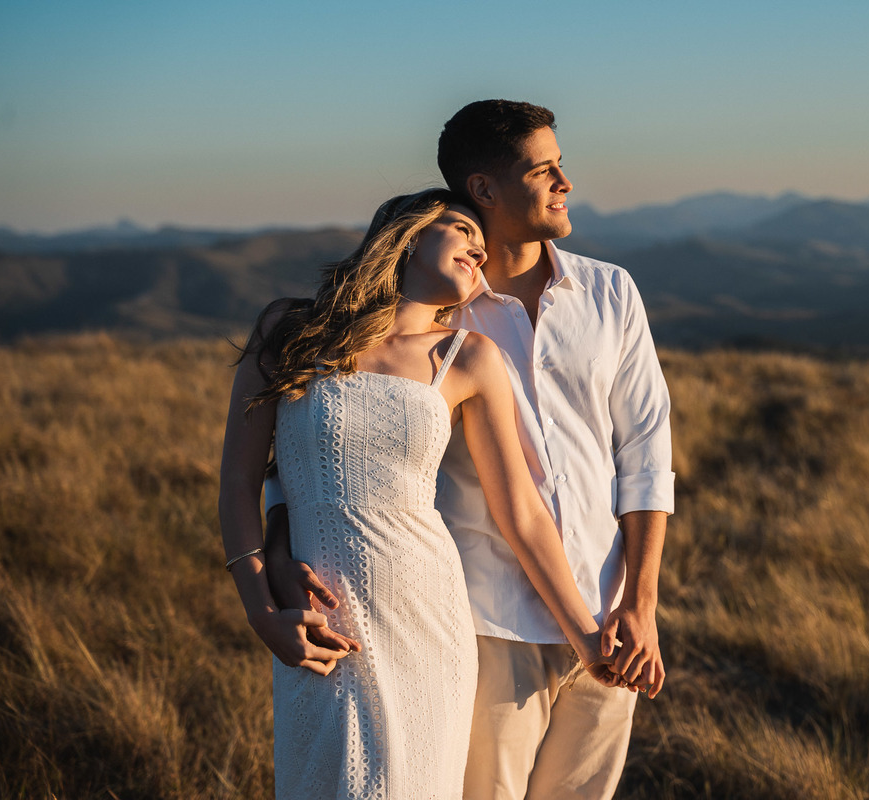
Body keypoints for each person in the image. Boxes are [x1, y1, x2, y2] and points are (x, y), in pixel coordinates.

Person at [268, 100, 675, 799]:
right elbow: (321, 431)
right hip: (484, 620)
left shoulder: (610, 292)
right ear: (484, 188)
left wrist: (640, 601)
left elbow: (645, 452)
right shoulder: (440, 306)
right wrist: (277, 549)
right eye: (544, 169)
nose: (565, 182)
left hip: (608, 615)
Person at [218, 189, 620, 798]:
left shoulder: (467, 358)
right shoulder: (288, 330)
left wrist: (587, 635)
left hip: (427, 621)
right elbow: (240, 481)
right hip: (327, 624)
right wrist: (260, 608)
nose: (478, 250)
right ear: (406, 235)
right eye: (462, 230)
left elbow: (522, 513)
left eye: (483, 250)